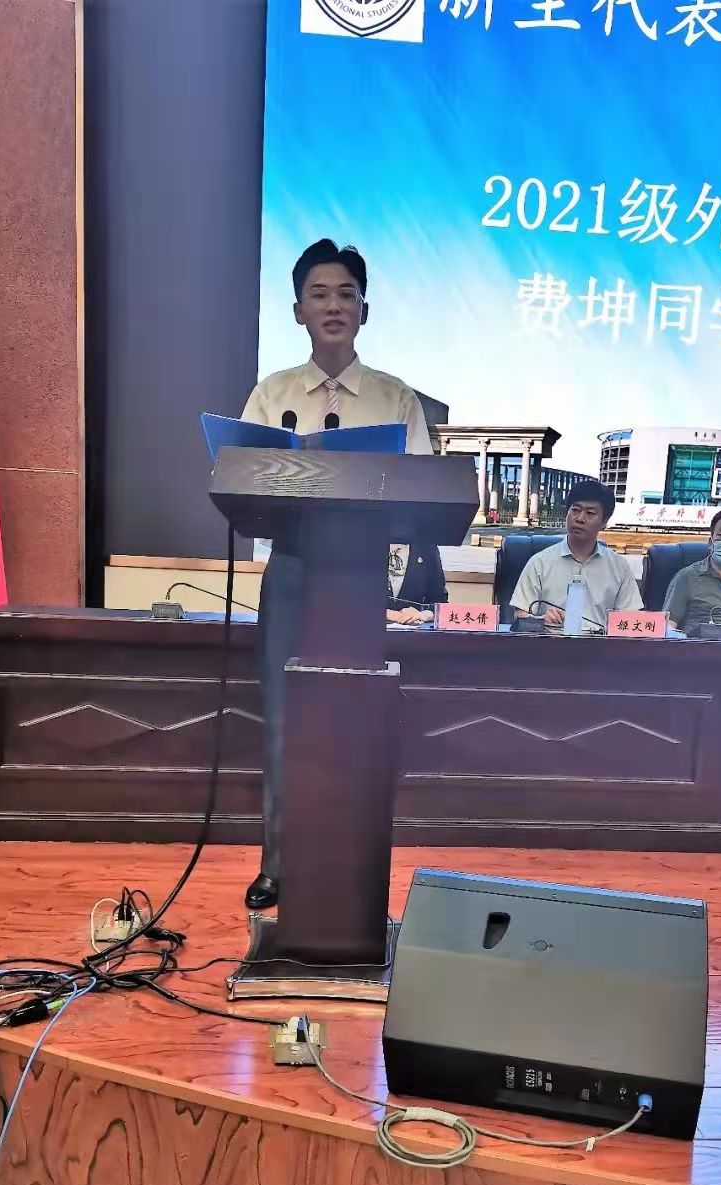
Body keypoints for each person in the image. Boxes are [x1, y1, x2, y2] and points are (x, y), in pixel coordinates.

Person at [241, 239, 433, 911]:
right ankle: (277, 864)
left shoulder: (394, 398)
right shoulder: (272, 394)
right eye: (318, 294)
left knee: (352, 720)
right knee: (282, 718)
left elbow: (422, 489)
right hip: (292, 568)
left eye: (346, 293)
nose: (333, 305)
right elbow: (240, 479)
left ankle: (347, 864)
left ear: (364, 310)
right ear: (298, 310)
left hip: (358, 575)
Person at [510, 480, 642, 632]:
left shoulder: (619, 567)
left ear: (604, 522)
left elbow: (632, 619)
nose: (579, 518)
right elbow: (520, 616)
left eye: (590, 513)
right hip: (551, 643)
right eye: (575, 510)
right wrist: (540, 621)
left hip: (601, 644)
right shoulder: (539, 563)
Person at [386, 543, 447, 626]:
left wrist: (422, 615)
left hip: (413, 629)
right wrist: (387, 614)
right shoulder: (368, 545)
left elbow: (440, 601)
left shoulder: (427, 548)